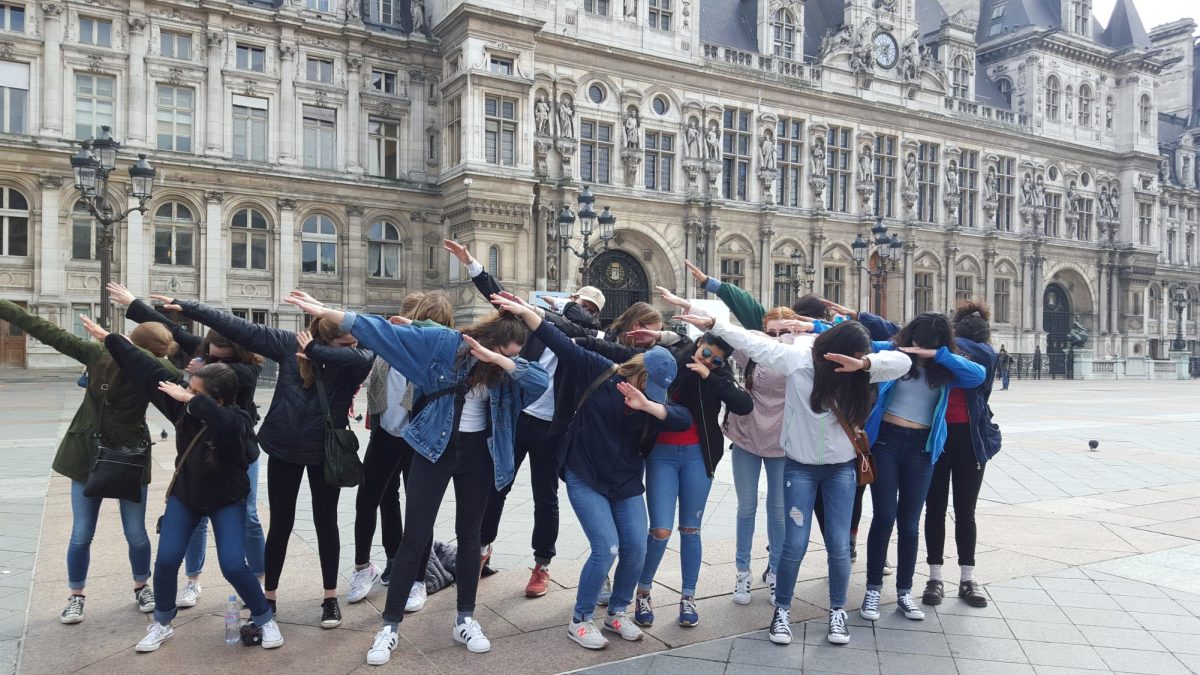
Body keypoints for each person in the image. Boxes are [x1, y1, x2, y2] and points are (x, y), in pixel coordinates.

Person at [283, 295, 548, 665]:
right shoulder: (445, 345)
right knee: (415, 536)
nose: (503, 363)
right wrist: (330, 313)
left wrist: (501, 361)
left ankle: (465, 618)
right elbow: (379, 333)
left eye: (511, 355)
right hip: (433, 448)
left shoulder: (506, 365)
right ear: (484, 339)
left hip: (479, 454)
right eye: (499, 352)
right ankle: (389, 627)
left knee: (471, 536)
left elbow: (539, 382)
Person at [677, 314, 911, 646]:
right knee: (794, 544)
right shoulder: (798, 358)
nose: (854, 362)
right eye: (852, 355)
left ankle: (837, 612)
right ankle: (782, 611)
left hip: (841, 469)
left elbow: (902, 361)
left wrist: (864, 363)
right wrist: (715, 323)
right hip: (799, 467)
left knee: (839, 545)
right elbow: (752, 342)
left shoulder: (863, 368)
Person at [150, 292, 374, 628]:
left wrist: (314, 350)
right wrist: (191, 306)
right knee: (280, 524)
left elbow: (364, 358)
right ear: (328, 336)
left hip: (324, 450)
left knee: (326, 522)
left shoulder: (352, 359)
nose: (352, 348)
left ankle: (330, 597)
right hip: (284, 445)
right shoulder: (286, 345)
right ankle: (269, 596)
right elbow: (237, 328)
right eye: (345, 342)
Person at [489, 294, 690, 651]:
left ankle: (616, 613)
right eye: (650, 388)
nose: (654, 397)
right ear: (639, 370)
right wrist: (528, 314)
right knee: (606, 546)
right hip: (585, 472)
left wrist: (650, 406)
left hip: (625, 478)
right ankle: (580, 619)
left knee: (636, 547)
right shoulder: (600, 370)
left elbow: (682, 417)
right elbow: (560, 344)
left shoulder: (653, 399)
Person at [80, 317, 284, 653]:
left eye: (194, 391)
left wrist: (193, 401)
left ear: (217, 399)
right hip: (187, 496)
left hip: (227, 499)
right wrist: (113, 340)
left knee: (233, 564)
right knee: (167, 560)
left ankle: (264, 618)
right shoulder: (182, 404)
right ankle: (162, 623)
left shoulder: (237, 420)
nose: (185, 392)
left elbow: (226, 424)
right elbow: (146, 369)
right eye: (188, 387)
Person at [0, 300, 179, 623]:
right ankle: (76, 594)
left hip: (129, 456)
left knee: (135, 533)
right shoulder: (99, 356)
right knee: (82, 532)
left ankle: (142, 586)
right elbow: (44, 329)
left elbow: (176, 375)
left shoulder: (152, 370)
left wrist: (124, 346)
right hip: (88, 454)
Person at [445, 239, 606, 597]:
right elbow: (498, 296)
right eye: (578, 302)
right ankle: (483, 549)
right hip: (517, 419)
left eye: (588, 307)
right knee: (496, 486)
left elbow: (593, 341)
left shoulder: (587, 339)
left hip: (554, 427)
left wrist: (566, 319)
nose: (580, 309)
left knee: (544, 496)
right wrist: (473, 264)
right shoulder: (534, 325)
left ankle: (542, 564)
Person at [593, 287, 752, 628]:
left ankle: (688, 597)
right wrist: (662, 336)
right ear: (698, 344)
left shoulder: (718, 376)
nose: (707, 360)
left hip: (698, 455)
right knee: (660, 530)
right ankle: (644, 592)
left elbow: (743, 405)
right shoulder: (678, 357)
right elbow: (670, 343)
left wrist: (713, 376)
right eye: (706, 352)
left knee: (690, 529)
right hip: (662, 453)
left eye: (716, 360)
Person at [107, 282, 266, 610]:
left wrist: (201, 374)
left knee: (247, 515)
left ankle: (259, 577)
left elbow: (221, 378)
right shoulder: (205, 353)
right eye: (208, 355)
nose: (209, 359)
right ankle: (193, 580)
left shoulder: (247, 370)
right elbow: (173, 332)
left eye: (218, 359)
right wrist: (134, 304)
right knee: (196, 514)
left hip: (235, 448)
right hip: (199, 447)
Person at [858, 313, 986, 624]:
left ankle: (904, 592)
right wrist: (813, 326)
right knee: (884, 517)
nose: (918, 348)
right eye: (916, 341)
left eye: (927, 345)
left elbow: (978, 375)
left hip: (921, 448)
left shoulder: (945, 367)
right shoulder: (893, 354)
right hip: (886, 442)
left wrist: (937, 355)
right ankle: (873, 588)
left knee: (910, 523)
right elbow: (861, 343)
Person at [348, 292, 453, 611]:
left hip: (417, 438)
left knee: (419, 510)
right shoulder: (390, 346)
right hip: (386, 434)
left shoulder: (437, 357)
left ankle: (418, 580)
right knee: (367, 500)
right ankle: (364, 567)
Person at [923, 301, 1002, 609]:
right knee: (935, 509)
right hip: (940, 438)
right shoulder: (949, 352)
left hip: (971, 439)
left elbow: (972, 360)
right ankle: (935, 576)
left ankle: (967, 578)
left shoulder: (982, 354)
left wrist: (942, 344)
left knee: (965, 511)